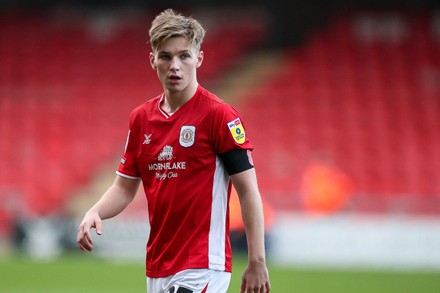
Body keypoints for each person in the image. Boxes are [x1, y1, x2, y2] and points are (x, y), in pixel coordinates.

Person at [76, 8, 271, 293]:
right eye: (166, 56)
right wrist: (95, 211)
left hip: (203, 265)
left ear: (199, 59)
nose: (175, 65)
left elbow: (248, 190)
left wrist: (257, 260)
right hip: (158, 267)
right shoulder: (141, 118)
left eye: (184, 56)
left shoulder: (219, 116)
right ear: (152, 60)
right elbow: (124, 188)